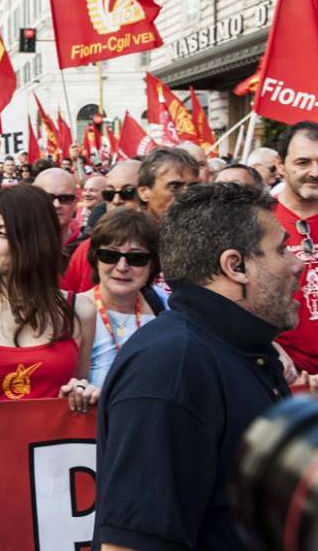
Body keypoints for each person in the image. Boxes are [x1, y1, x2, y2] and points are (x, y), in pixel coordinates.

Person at [93, 183, 302, 551]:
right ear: (235, 265)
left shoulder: (243, 349)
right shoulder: (170, 366)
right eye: (282, 249)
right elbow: (132, 544)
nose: (297, 263)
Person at [0, 185, 96, 420]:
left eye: (1, 232)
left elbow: (79, 390)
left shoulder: (80, 311)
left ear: (34, 237)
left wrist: (83, 394)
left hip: (55, 451)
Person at [75, 208, 162, 388]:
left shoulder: (166, 307)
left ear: (152, 264)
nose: (122, 267)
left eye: (136, 258)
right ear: (95, 258)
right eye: (110, 255)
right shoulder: (72, 312)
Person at [274, 122, 318, 375]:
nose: (315, 171)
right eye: (303, 162)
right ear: (281, 165)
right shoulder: (256, 220)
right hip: (285, 375)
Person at [62, 160, 142, 293]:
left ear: (147, 192)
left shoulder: (174, 244)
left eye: (128, 192)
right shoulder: (87, 250)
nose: (116, 201)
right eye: (109, 194)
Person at [34, 167, 83, 266]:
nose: (56, 205)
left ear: (75, 203)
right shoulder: (19, 243)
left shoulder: (88, 246)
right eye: (48, 197)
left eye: (65, 198)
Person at [136, 148, 200, 219]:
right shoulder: (127, 228)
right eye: (175, 187)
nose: (187, 195)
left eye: (193, 187)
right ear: (144, 193)